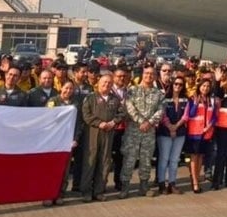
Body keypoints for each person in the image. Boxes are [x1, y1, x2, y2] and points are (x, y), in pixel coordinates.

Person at [120, 64, 163, 198]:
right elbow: (129, 107)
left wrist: (149, 122)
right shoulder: (132, 90)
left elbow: (161, 111)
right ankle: (125, 187)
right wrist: (141, 121)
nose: (149, 76)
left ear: (155, 76)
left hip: (149, 132)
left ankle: (144, 186)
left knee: (146, 159)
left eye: (152, 74)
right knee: (129, 159)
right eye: (146, 73)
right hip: (133, 130)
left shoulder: (158, 93)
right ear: (142, 75)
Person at [80, 73, 124, 202]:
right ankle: (86, 191)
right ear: (98, 83)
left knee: (104, 162)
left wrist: (113, 122)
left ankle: (99, 191)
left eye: (109, 83)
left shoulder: (115, 99)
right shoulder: (90, 98)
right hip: (92, 134)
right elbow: (86, 114)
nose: (107, 85)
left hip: (108, 134)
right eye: (104, 82)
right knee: (90, 162)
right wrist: (99, 123)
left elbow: (122, 113)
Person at [45, 80, 83, 205]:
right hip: (54, 141)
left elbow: (79, 123)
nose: (68, 91)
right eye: (66, 88)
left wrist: (75, 139)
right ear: (61, 88)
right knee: (51, 169)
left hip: (68, 141)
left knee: (65, 170)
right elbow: (48, 119)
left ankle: (60, 194)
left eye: (71, 89)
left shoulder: (76, 104)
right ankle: (49, 195)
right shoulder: (53, 101)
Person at [156, 76, 189, 195]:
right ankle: (161, 183)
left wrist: (176, 127)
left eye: (180, 84)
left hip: (180, 133)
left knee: (175, 160)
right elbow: (162, 115)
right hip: (165, 133)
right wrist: (170, 127)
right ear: (172, 84)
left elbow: (186, 116)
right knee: (164, 159)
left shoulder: (185, 99)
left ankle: (172, 183)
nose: (178, 86)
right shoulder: (165, 98)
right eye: (176, 84)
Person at [184, 79, 217, 193]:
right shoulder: (193, 98)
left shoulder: (210, 100)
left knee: (200, 158)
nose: (205, 88)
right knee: (194, 157)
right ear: (199, 86)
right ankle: (195, 182)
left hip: (206, 133)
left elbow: (214, 116)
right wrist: (196, 103)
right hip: (194, 133)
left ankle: (196, 177)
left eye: (208, 86)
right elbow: (191, 114)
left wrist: (209, 126)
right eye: (203, 86)